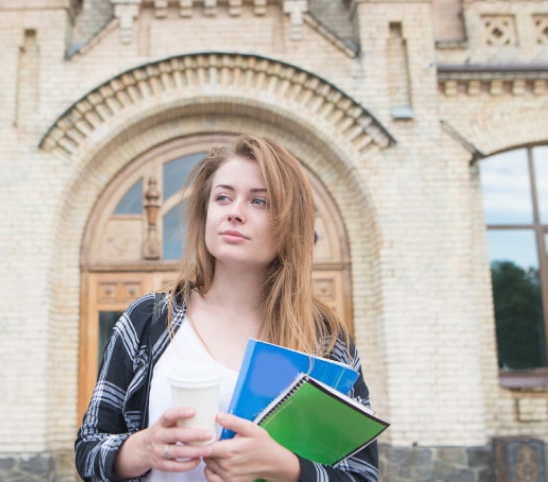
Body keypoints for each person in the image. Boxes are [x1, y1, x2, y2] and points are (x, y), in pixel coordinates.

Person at [75, 135, 379, 482]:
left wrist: (288, 469)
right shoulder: (147, 319)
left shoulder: (326, 340)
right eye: (223, 197)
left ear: (288, 224)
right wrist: (140, 449)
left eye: (259, 202)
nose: (234, 212)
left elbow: (363, 475)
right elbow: (89, 451)